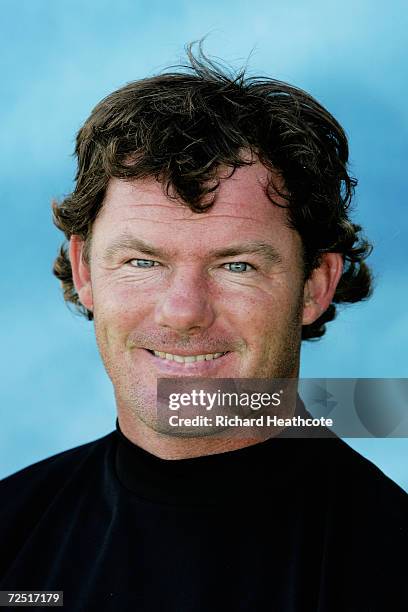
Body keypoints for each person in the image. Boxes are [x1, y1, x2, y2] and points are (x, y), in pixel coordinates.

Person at [0, 45, 406, 611]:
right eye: (143, 262)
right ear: (86, 271)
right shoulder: (12, 531)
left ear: (316, 285)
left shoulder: (390, 565)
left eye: (236, 265)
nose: (184, 311)